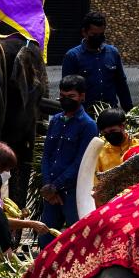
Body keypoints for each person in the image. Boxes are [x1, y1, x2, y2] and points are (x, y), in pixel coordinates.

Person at [40, 75, 98, 238]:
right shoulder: (56, 121)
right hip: (51, 194)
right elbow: (46, 156)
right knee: (46, 238)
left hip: (73, 193)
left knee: (78, 238)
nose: (66, 100)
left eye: (71, 97)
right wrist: (48, 186)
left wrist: (56, 186)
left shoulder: (88, 125)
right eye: (63, 96)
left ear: (82, 96)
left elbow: (81, 162)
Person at [61, 11, 133, 112]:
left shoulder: (113, 53)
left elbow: (121, 85)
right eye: (94, 35)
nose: (98, 38)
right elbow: (67, 91)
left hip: (111, 113)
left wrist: (130, 112)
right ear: (84, 33)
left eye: (101, 34)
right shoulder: (72, 56)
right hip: (85, 115)